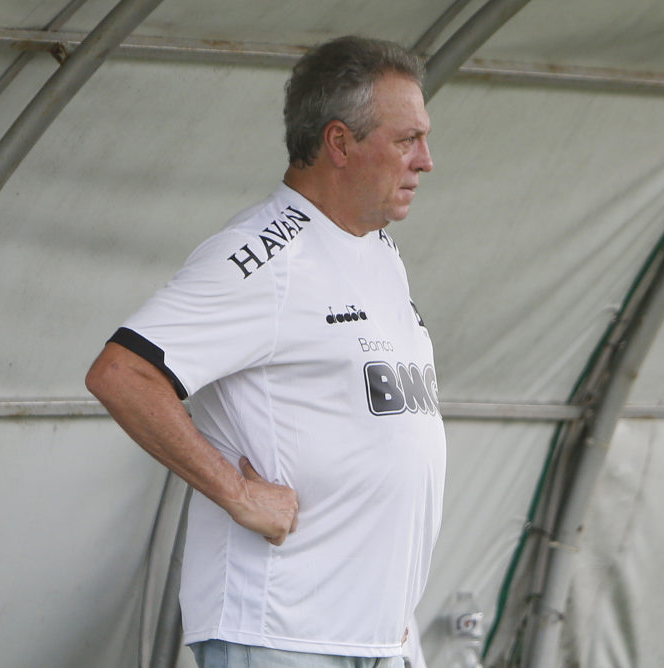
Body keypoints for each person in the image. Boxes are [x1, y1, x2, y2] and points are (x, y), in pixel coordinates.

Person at [86, 35, 445, 668]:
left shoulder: (378, 250)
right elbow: (124, 373)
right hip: (282, 633)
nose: (426, 161)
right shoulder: (264, 255)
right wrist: (237, 492)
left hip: (376, 635)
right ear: (339, 143)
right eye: (406, 140)